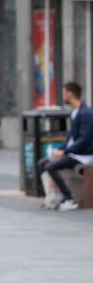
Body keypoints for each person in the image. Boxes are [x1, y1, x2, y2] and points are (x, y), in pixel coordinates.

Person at [39, 82, 93, 212]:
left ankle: (69, 199)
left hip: (83, 155)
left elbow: (84, 139)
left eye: (64, 93)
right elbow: (70, 138)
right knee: (42, 163)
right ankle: (53, 197)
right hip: (74, 153)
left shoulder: (86, 114)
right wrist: (61, 149)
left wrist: (65, 151)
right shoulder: (75, 112)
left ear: (70, 93)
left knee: (51, 166)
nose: (63, 96)